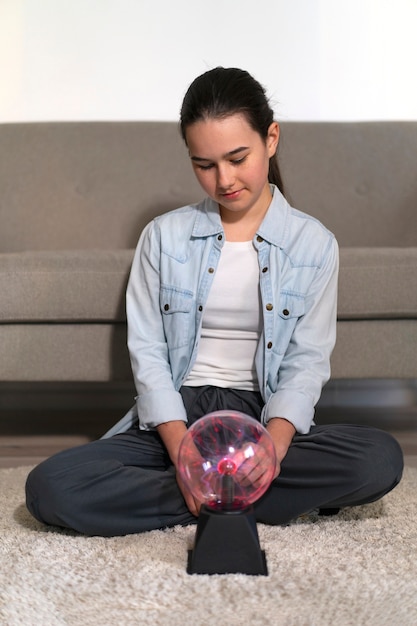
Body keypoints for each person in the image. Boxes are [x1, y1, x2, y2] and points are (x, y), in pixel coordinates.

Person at [25, 67, 403, 537]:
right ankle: (234, 498)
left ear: (271, 138)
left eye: (237, 157)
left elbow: (306, 362)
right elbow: (147, 354)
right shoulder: (163, 237)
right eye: (204, 164)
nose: (223, 179)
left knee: (379, 459)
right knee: (49, 488)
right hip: (178, 417)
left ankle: (214, 493)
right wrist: (185, 458)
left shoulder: (314, 244)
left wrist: (269, 453)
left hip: (260, 419)